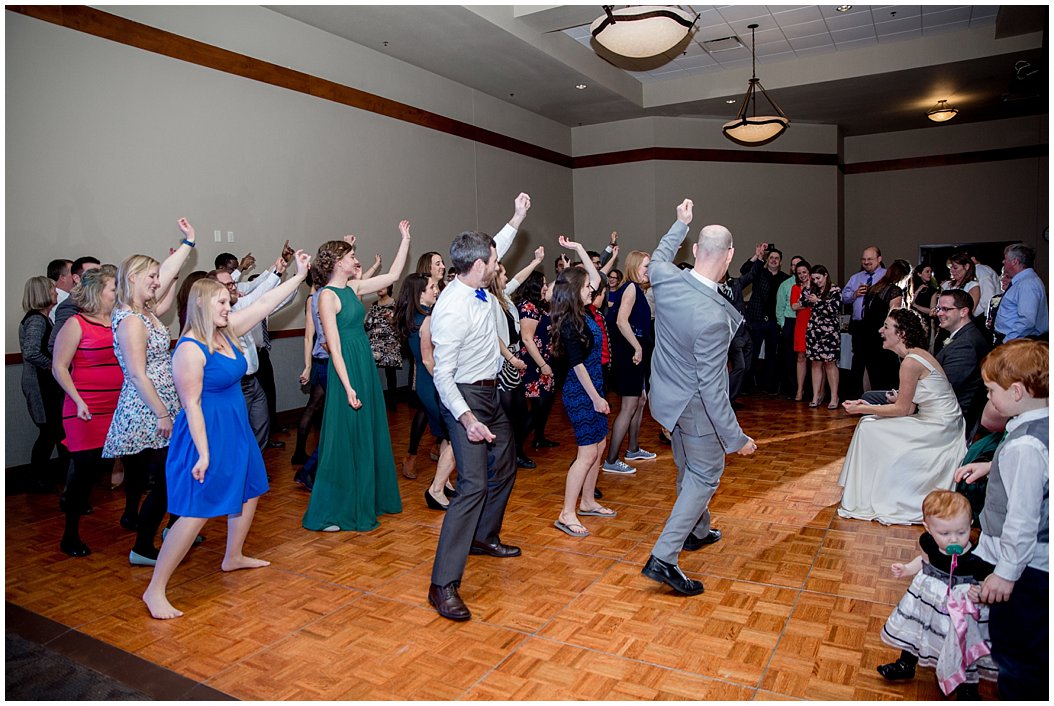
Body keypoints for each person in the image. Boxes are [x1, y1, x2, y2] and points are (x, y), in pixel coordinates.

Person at [141, 250, 312, 620]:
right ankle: (154, 590)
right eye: (222, 300)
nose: (229, 303)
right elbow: (192, 406)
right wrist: (203, 454)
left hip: (235, 427)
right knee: (195, 512)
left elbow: (266, 301)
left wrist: (300, 275)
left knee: (251, 491)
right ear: (203, 305)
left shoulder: (228, 331)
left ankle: (233, 556)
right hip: (205, 432)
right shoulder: (189, 349)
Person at [642, 199, 755, 596]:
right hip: (694, 407)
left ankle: (697, 531)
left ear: (693, 251)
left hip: (665, 400)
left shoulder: (665, 277)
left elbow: (658, 255)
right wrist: (736, 438)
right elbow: (713, 388)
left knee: (687, 468)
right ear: (730, 256)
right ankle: (664, 557)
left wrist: (679, 223)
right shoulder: (712, 318)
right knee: (704, 475)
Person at [427, 192, 531, 622]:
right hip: (464, 398)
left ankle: (484, 537)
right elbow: (441, 374)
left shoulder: (476, 282)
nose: (497, 263)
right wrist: (466, 418)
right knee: (472, 484)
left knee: (505, 462)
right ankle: (442, 584)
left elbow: (497, 246)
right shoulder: (452, 309)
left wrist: (517, 216)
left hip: (489, 395)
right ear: (477, 267)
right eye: (492, 260)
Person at [302, 221, 411, 532]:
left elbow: (392, 276)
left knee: (368, 431)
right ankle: (332, 511)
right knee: (344, 438)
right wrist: (348, 386)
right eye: (351, 256)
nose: (356, 259)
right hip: (346, 367)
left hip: (362, 359)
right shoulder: (326, 296)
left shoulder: (353, 288)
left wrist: (404, 239)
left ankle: (368, 498)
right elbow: (333, 346)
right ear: (338, 262)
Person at [954, 339, 1048, 700]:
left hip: (1026, 569)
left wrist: (1006, 573)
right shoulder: (1038, 428)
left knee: (1019, 654)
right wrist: (993, 466)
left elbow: (1023, 519)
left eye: (992, 391)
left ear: (1018, 391)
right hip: (1037, 564)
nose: (989, 399)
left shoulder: (1024, 446)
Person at [103, 219, 197, 565]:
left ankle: (171, 529)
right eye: (151, 278)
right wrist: (161, 413)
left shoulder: (146, 313)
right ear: (132, 279)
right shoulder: (130, 320)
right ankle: (144, 546)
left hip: (162, 403)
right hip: (145, 410)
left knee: (173, 475)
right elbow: (138, 375)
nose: (157, 282)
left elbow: (169, 276)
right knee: (167, 479)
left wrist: (188, 245)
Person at [838, 309, 966, 525]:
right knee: (869, 425)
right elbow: (909, 405)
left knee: (869, 426)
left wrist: (863, 409)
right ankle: (871, 489)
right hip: (937, 420)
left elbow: (903, 410)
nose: (881, 330)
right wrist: (869, 405)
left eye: (886, 327)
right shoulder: (912, 356)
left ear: (902, 334)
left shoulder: (911, 362)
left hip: (940, 427)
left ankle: (874, 493)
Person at [876, 490, 996, 699]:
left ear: (970, 524)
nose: (954, 539)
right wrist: (906, 569)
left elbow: (988, 581)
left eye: (961, 532)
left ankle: (968, 686)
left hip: (960, 607)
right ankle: (906, 663)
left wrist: (981, 593)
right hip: (929, 597)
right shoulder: (928, 543)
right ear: (928, 528)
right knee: (917, 627)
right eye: (945, 534)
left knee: (961, 642)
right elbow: (923, 562)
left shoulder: (977, 556)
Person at [51, 266, 122, 555]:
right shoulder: (76, 324)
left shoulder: (120, 321)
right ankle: (70, 535)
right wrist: (78, 400)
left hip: (118, 405)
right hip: (85, 409)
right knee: (85, 471)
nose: (117, 294)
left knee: (137, 464)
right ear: (97, 292)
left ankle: (131, 516)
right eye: (113, 289)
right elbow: (58, 366)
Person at [550, 237, 612, 538]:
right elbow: (577, 367)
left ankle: (587, 502)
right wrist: (597, 399)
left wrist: (577, 250)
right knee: (586, 453)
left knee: (599, 446)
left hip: (594, 387)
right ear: (576, 290)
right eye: (586, 286)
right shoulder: (570, 323)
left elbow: (598, 278)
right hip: (581, 392)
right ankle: (566, 512)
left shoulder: (583, 313)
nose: (593, 289)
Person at [395, 273, 455, 510]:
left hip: (426, 382)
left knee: (444, 433)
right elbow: (428, 360)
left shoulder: (416, 318)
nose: (436, 290)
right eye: (431, 287)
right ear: (420, 293)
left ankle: (445, 481)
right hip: (431, 382)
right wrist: (446, 382)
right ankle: (436, 489)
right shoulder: (426, 319)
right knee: (455, 436)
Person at [603, 249, 656, 474]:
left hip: (635, 352)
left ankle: (633, 448)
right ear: (634, 267)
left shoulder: (638, 290)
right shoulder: (631, 288)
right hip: (630, 353)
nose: (649, 271)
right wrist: (637, 347)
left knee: (640, 400)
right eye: (646, 266)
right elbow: (621, 321)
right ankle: (611, 460)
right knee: (628, 406)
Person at [18, 275, 64, 492]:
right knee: (49, 432)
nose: (55, 292)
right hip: (40, 385)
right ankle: (38, 479)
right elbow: (32, 352)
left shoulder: (41, 318)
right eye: (52, 289)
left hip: (44, 384)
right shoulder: (37, 320)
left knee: (52, 431)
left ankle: (43, 478)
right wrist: (53, 366)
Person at [738, 244, 790, 395]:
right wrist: (757, 256)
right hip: (756, 320)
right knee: (751, 354)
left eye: (777, 258)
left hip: (774, 321)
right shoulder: (758, 272)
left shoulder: (785, 279)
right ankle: (747, 386)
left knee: (771, 355)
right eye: (771, 258)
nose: (773, 260)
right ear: (767, 260)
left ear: (780, 262)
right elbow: (744, 270)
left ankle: (769, 386)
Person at [515, 270, 558, 450]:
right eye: (543, 284)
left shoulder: (537, 305)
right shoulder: (527, 307)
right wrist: (542, 365)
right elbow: (527, 339)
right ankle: (516, 449)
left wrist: (563, 273)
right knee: (539, 404)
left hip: (543, 361)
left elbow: (551, 292)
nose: (546, 287)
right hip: (534, 363)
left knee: (545, 402)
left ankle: (538, 438)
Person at [858, 257, 909, 393]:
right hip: (882, 335)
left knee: (869, 370)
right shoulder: (894, 291)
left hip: (867, 333)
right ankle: (883, 404)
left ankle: (868, 400)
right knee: (885, 372)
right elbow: (893, 318)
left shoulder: (875, 287)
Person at [843, 246, 887, 399]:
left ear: (879, 259)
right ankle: (856, 397)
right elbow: (844, 296)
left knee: (876, 362)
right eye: (864, 259)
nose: (866, 262)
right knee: (858, 362)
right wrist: (855, 294)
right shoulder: (856, 278)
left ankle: (877, 397)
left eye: (870, 259)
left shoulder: (886, 277)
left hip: (877, 326)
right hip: (859, 326)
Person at [803, 265, 841, 409]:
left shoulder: (835, 290)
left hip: (829, 332)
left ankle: (833, 396)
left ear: (825, 275)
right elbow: (801, 302)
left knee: (830, 363)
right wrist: (807, 287)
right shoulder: (812, 290)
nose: (816, 281)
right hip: (814, 331)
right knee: (815, 363)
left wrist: (818, 301)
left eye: (818, 278)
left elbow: (834, 309)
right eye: (813, 279)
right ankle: (815, 395)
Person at [993, 243, 1047, 343]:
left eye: (1006, 259)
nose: (1003, 262)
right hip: (1014, 339)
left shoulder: (1027, 284)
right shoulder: (1023, 281)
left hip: (1017, 342)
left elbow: (1027, 321)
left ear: (1015, 261)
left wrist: (1007, 341)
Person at [48, 256, 102, 355]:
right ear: (76, 278)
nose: (99, 280)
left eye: (100, 275)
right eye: (92, 275)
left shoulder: (100, 303)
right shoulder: (70, 305)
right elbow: (55, 345)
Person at [364, 284, 403, 412]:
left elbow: (401, 325)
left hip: (390, 343)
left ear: (389, 288)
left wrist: (392, 320)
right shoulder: (374, 305)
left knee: (390, 374)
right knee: (371, 373)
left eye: (383, 287)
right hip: (376, 343)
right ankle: (373, 402)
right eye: (378, 287)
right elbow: (367, 325)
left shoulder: (396, 304)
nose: (379, 289)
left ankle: (393, 403)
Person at [775, 255, 805, 398]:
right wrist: (783, 324)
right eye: (793, 265)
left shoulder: (811, 284)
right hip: (790, 322)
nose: (796, 267)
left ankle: (806, 388)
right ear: (791, 268)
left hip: (805, 322)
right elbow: (779, 307)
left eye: (799, 265)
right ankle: (792, 389)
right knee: (789, 359)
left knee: (805, 358)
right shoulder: (786, 285)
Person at [787, 259, 811, 402]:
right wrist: (807, 303)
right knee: (801, 357)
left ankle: (818, 392)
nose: (802, 275)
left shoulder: (816, 286)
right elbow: (794, 306)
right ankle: (800, 390)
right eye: (799, 273)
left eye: (804, 272)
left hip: (815, 324)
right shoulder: (796, 288)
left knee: (817, 359)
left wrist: (802, 303)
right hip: (801, 324)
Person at [941, 252, 981, 318]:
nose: (951, 271)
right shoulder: (946, 285)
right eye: (950, 268)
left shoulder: (973, 286)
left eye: (955, 268)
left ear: (966, 266)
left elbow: (969, 312)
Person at [908, 262, 938, 346]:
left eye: (930, 272)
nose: (929, 274)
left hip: (924, 322)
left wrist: (916, 306)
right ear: (919, 274)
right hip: (911, 321)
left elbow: (932, 311)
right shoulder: (911, 287)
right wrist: (917, 292)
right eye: (927, 271)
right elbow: (909, 304)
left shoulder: (932, 290)